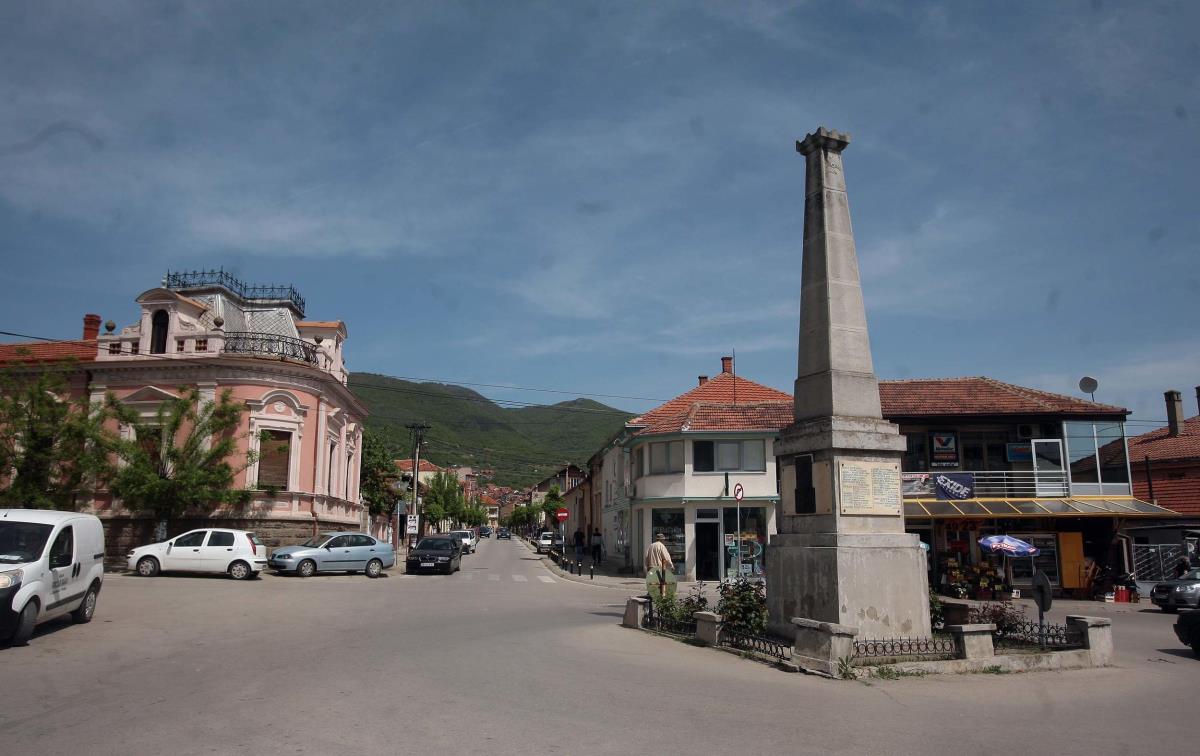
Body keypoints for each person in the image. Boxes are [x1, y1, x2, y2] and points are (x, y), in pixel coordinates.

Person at [644, 533, 674, 598]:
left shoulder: (651, 546)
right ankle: (661, 595)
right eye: (664, 540)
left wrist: (646, 565)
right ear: (662, 540)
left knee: (652, 581)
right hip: (658, 567)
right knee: (661, 581)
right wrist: (671, 565)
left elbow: (646, 557)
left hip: (651, 567)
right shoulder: (661, 546)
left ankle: (651, 593)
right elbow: (666, 557)